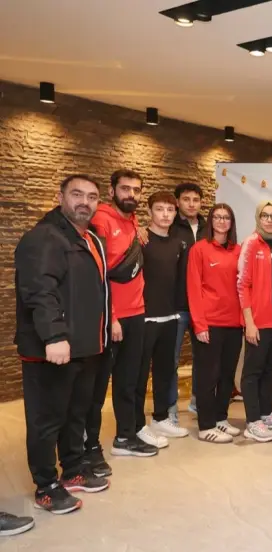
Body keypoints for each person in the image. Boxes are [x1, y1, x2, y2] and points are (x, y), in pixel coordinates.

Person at [15, 174, 111, 515]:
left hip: (83, 346)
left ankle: (72, 469)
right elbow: (39, 291)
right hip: (52, 349)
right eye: (77, 194)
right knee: (47, 419)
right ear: (60, 197)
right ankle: (46, 485)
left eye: (92, 196)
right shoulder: (45, 236)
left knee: (75, 413)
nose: (85, 202)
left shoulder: (88, 238)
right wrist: (54, 336)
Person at [86, 169, 157, 465]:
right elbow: (98, 272)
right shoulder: (100, 220)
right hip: (111, 317)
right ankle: (88, 447)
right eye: (125, 188)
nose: (131, 194)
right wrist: (111, 316)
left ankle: (125, 437)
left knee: (129, 380)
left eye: (136, 190)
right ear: (112, 191)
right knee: (97, 385)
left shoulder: (132, 220)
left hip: (137, 313)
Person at [135, 191, 189, 446]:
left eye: (170, 210)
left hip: (170, 316)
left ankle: (160, 417)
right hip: (144, 318)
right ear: (149, 212)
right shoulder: (141, 240)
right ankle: (136, 425)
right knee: (139, 375)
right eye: (159, 209)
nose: (165, 214)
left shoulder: (178, 244)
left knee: (165, 372)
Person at [237, 201, 272, 443]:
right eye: (265, 215)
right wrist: (249, 322)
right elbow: (242, 284)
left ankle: (265, 413)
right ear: (258, 218)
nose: (269, 220)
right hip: (259, 320)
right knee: (253, 370)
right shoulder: (251, 243)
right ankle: (252, 422)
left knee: (269, 368)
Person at [187, 204, 244, 443]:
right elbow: (193, 289)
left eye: (226, 217)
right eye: (217, 217)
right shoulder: (199, 249)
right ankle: (206, 425)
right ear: (211, 221)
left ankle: (221, 418)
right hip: (209, 324)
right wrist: (199, 325)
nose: (222, 221)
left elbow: (244, 287)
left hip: (234, 324)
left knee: (227, 376)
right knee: (207, 376)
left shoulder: (238, 251)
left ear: (231, 223)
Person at [169, 182, 207, 420]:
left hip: (203, 307)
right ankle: (170, 409)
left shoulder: (208, 228)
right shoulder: (169, 227)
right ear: (177, 202)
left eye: (196, 200)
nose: (191, 204)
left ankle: (198, 401)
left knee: (203, 359)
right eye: (186, 199)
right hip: (176, 305)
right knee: (171, 360)